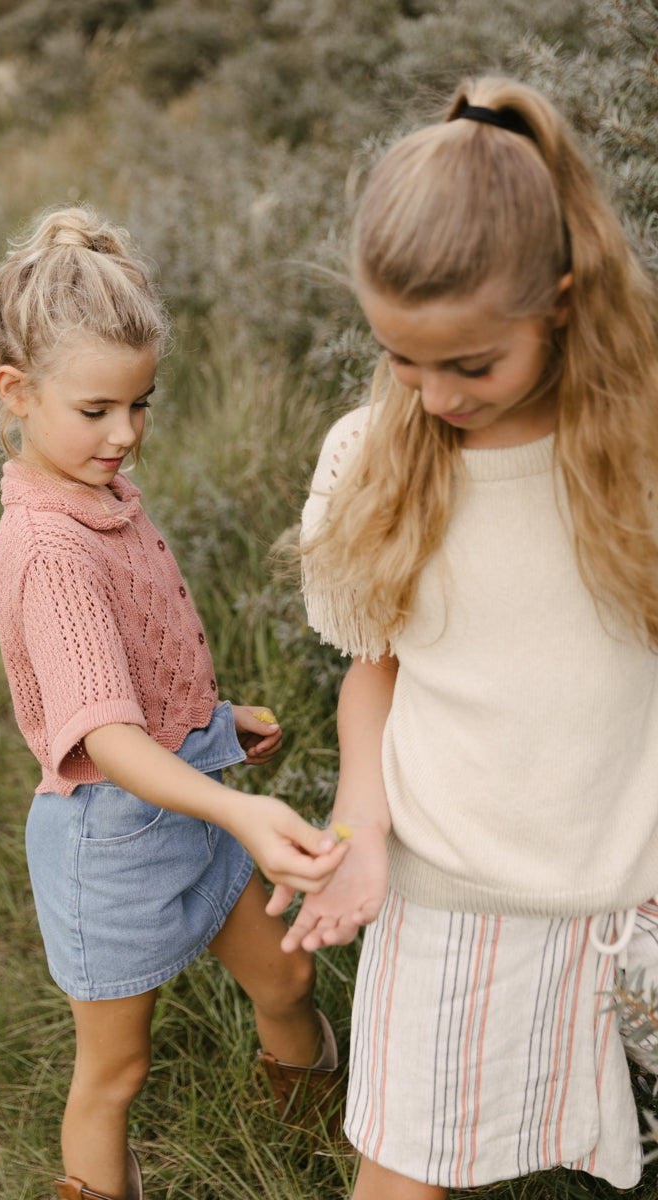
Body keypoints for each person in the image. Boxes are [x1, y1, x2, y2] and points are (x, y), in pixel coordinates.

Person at [267, 76, 658, 1199]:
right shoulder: (374, 463)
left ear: (560, 301)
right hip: (452, 903)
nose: (431, 394)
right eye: (398, 357)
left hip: (628, 888)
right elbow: (371, 674)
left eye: (468, 364)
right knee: (401, 1179)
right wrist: (360, 826)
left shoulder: (632, 453)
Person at [0, 205, 349, 1200]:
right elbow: (100, 730)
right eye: (95, 411)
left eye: (140, 406)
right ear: (16, 393)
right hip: (111, 847)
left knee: (285, 979)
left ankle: (312, 1152)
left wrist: (221, 722)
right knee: (114, 1073)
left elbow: (141, 662)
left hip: (188, 804)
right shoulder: (49, 549)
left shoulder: (98, 493)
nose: (125, 434)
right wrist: (234, 804)